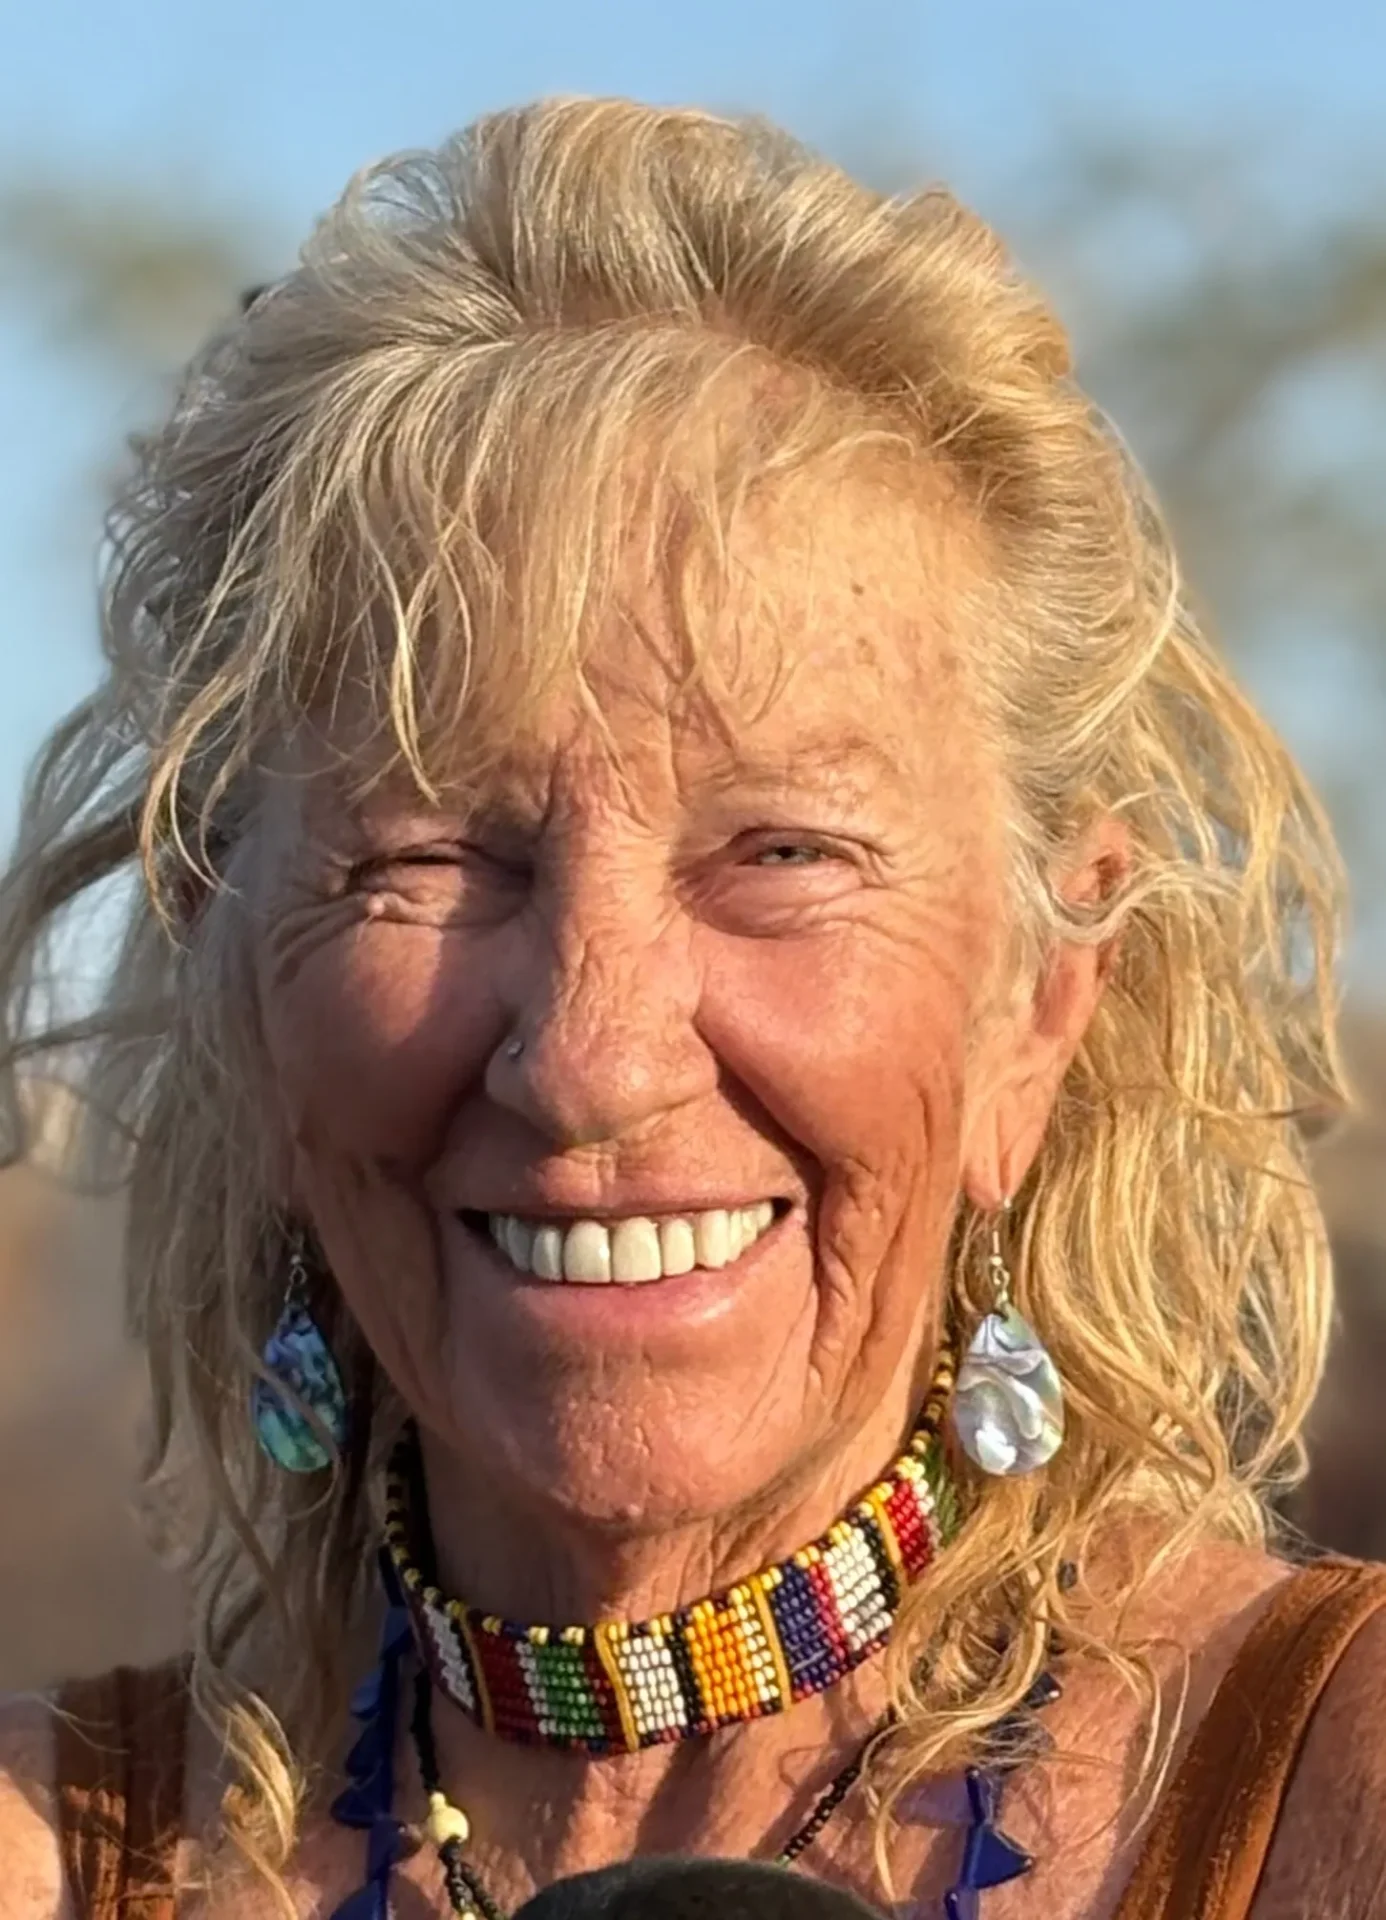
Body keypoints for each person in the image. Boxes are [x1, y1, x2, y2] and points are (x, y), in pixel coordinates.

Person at [0, 96, 1381, 1920]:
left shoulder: (1326, 1794)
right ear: (231, 973)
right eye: (430, 856)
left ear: (1042, 998)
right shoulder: (55, 1859)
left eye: (782, 852)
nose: (590, 1054)